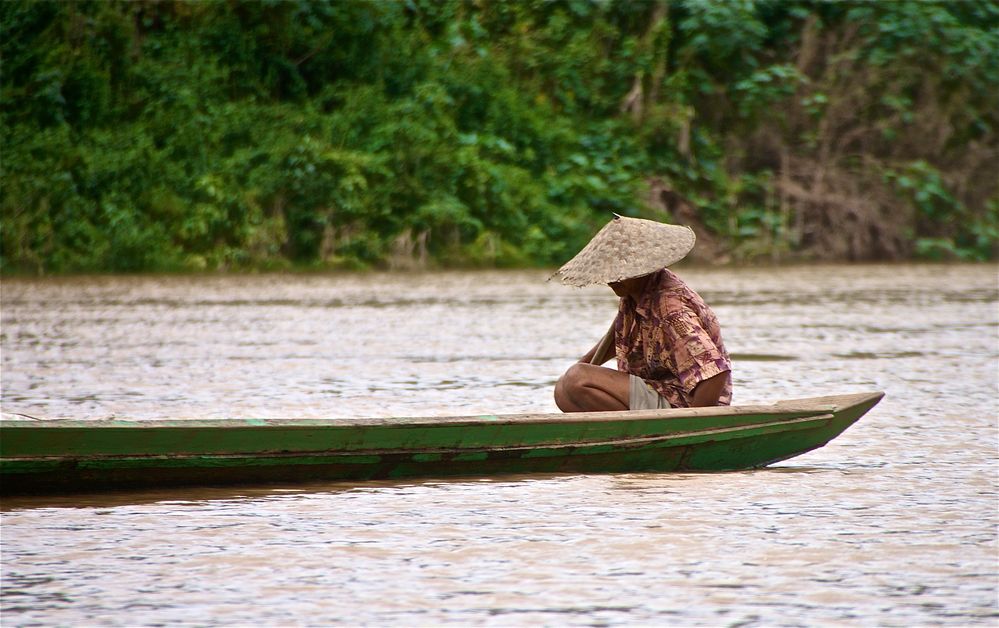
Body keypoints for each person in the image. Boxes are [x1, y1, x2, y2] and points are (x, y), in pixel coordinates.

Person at [552, 215, 732, 412]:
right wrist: (584, 365)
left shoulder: (671, 311)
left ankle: (652, 436)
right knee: (563, 391)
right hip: (655, 388)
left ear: (641, 269)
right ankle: (623, 439)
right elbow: (617, 337)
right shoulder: (634, 293)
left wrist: (694, 427)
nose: (611, 279)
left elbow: (715, 373)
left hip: (681, 402)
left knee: (577, 380)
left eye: (618, 271)